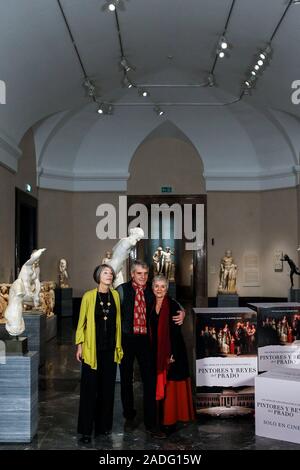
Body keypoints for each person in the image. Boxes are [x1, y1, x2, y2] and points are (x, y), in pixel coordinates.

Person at [117, 260, 185, 437]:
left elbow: (168, 300)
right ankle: (129, 415)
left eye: (146, 274)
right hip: (126, 340)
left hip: (146, 342)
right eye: (139, 273)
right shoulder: (122, 291)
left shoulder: (150, 290)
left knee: (150, 380)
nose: (143, 277)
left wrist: (183, 310)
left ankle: (150, 423)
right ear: (132, 274)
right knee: (126, 378)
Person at [75, 264, 123, 444]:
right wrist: (79, 346)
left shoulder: (116, 296)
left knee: (107, 390)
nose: (109, 275)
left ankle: (104, 427)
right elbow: (81, 323)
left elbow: (117, 321)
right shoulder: (89, 296)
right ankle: (86, 430)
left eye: (111, 273)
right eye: (105, 273)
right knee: (89, 391)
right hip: (91, 350)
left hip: (110, 350)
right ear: (98, 276)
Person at [149, 274, 194, 434]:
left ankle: (170, 421)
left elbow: (175, 333)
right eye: (156, 286)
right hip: (156, 351)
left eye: (162, 286)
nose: (159, 289)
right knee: (159, 384)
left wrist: (171, 354)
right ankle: (160, 419)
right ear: (152, 287)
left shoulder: (174, 305)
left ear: (167, 288)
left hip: (173, 352)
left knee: (171, 385)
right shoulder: (150, 303)